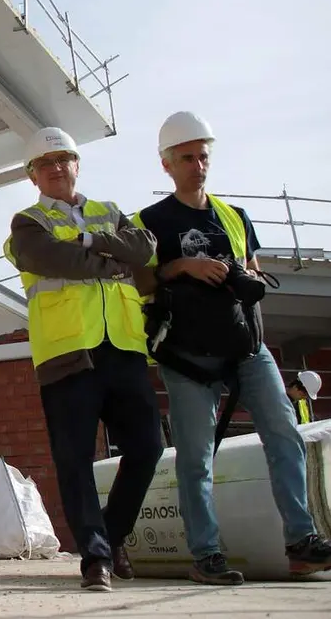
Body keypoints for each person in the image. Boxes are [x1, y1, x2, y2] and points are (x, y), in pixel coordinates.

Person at [135, 111, 331, 583]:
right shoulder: (149, 221)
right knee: (197, 458)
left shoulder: (233, 216)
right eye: (187, 158)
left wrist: (248, 277)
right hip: (186, 354)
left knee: (285, 436)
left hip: (247, 345)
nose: (198, 165)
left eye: (203, 156)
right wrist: (181, 265)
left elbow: (254, 268)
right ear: (166, 165)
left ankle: (301, 541)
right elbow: (138, 281)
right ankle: (206, 554)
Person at [3, 127, 161, 592]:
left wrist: (90, 243)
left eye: (63, 159)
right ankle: (95, 558)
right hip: (68, 350)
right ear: (33, 176)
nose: (55, 168)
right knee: (74, 458)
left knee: (148, 448)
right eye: (44, 163)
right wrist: (110, 254)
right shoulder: (27, 221)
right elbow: (50, 258)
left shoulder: (110, 211)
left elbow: (145, 249)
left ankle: (109, 537)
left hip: (124, 346)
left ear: (76, 163)